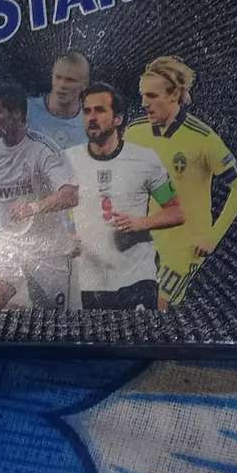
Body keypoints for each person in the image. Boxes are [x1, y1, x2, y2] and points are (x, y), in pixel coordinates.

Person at [126, 56, 237, 308]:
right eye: (142, 95)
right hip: (143, 239)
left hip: (185, 246)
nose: (144, 103)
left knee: (158, 306)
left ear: (174, 95)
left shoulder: (203, 138)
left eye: (152, 96)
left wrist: (212, 237)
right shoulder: (135, 131)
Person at [66, 82, 184, 311]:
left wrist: (141, 223)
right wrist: (65, 234)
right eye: (87, 111)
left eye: (100, 110)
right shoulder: (67, 160)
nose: (92, 117)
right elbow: (50, 208)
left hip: (136, 278)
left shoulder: (145, 159)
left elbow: (176, 211)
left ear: (118, 119)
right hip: (88, 281)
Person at [0, 85, 80, 310]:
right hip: (8, 243)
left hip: (48, 248)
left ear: (17, 114)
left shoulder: (43, 149)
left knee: (55, 320)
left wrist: (34, 207)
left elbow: (70, 196)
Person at [26, 51, 90, 148]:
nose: (62, 85)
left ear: (84, 84)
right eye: (58, 77)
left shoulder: (91, 123)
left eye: (70, 80)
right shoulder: (25, 111)